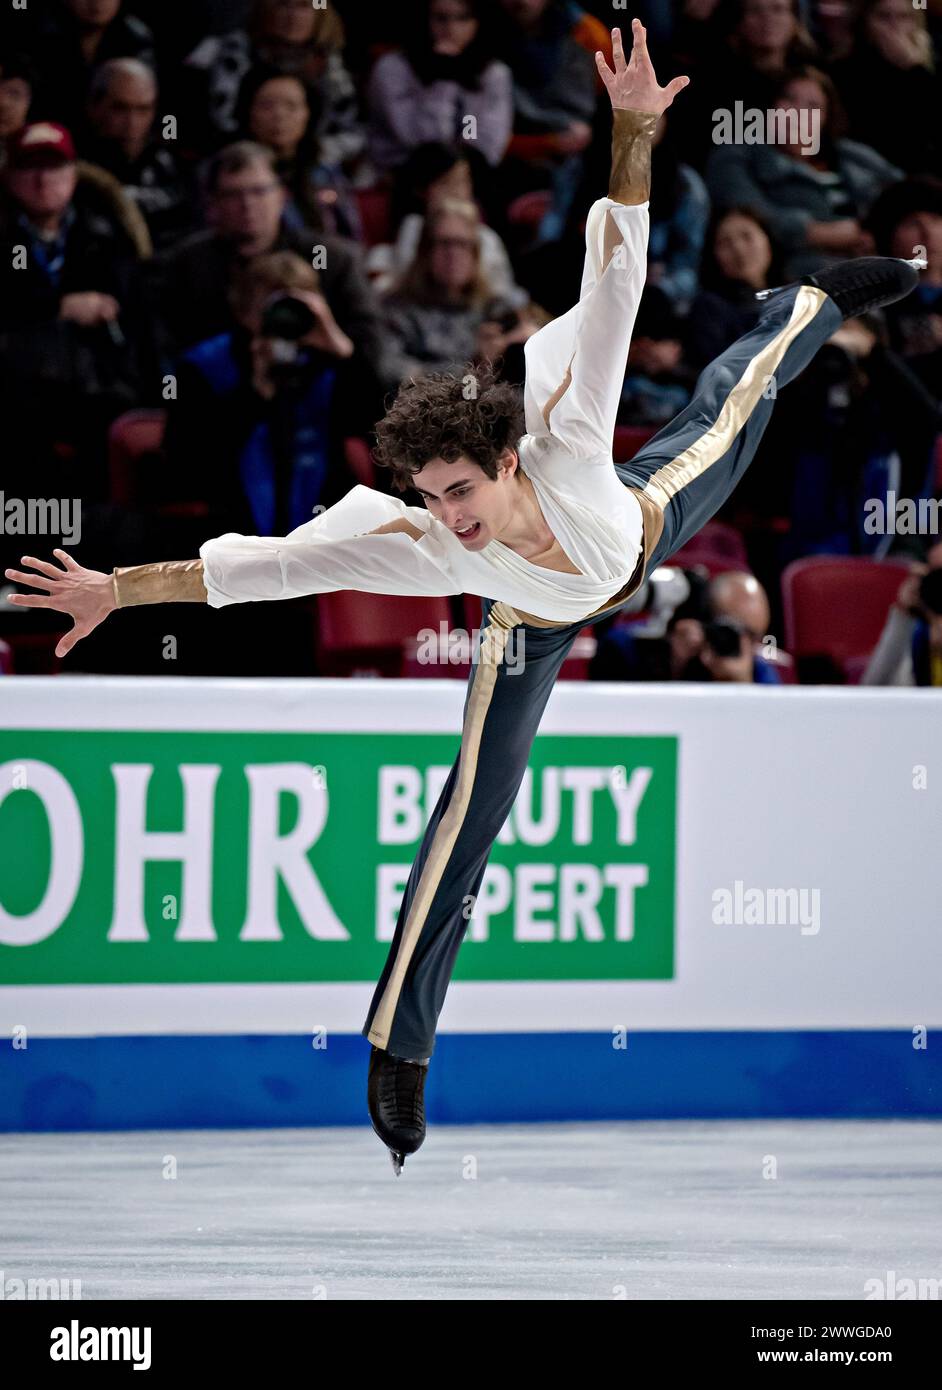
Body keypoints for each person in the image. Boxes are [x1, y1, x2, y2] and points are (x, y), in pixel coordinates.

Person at [5, 20, 923, 1173]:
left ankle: (809, 299)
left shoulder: (570, 435)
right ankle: (399, 1041)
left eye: (458, 491)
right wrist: (113, 589)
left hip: (641, 519)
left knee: (737, 393)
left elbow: (618, 272)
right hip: (529, 626)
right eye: (429, 497)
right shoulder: (429, 545)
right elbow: (260, 566)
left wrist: (633, 134)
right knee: (466, 818)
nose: (448, 517)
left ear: (502, 460)